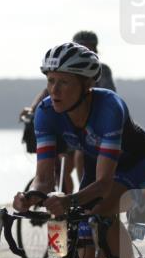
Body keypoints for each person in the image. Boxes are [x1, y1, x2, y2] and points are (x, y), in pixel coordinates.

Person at [13, 42, 145, 258]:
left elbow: (104, 185)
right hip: (99, 169)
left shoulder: (109, 107)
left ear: (86, 86)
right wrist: (30, 196)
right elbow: (44, 178)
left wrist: (69, 200)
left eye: (64, 82)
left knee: (102, 210)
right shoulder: (46, 112)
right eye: (50, 81)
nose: (54, 90)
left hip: (141, 166)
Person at [19, 31, 116, 193]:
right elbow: (47, 92)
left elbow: (109, 93)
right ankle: (65, 199)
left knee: (80, 156)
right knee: (62, 163)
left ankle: (84, 195)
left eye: (90, 48)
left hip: (92, 125)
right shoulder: (65, 67)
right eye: (80, 47)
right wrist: (33, 108)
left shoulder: (101, 70)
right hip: (69, 123)